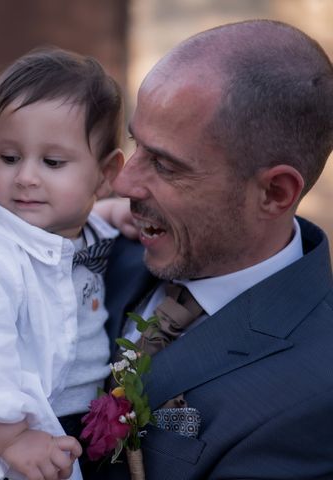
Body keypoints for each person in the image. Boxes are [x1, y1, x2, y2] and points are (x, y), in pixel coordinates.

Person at [91, 19, 333, 479]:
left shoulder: (320, 392)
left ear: (275, 193)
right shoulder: (103, 254)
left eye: (164, 165)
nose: (123, 181)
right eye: (135, 144)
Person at [0, 48, 125, 480]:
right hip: (5, 447)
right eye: (9, 158)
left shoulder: (82, 232)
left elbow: (77, 228)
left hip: (76, 427)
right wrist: (11, 437)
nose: (27, 177)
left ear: (106, 174)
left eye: (52, 163)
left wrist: (110, 213)